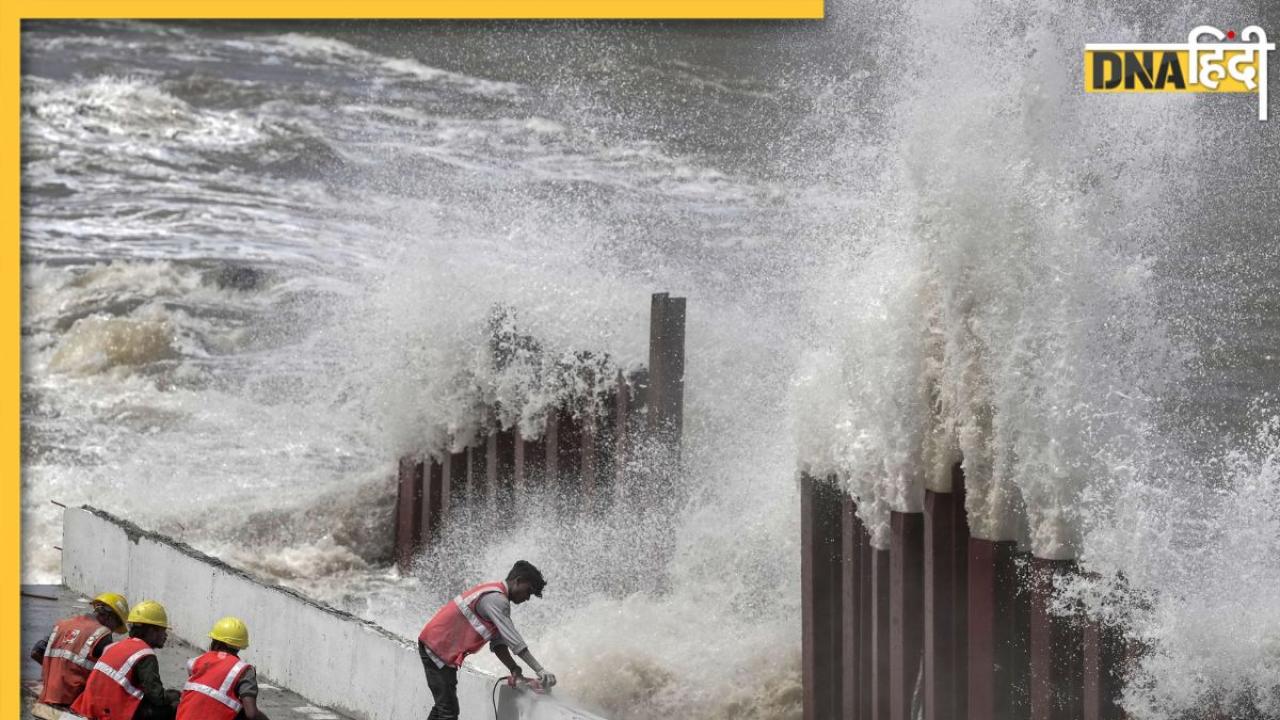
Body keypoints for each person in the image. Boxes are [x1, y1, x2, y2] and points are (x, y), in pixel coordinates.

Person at [418, 560, 556, 720]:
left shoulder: (494, 596)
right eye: (528, 591)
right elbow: (515, 642)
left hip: (437, 647)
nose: (527, 598)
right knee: (448, 712)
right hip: (437, 649)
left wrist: (514, 668)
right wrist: (540, 670)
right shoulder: (497, 600)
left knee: (443, 709)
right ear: (518, 581)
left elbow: (498, 644)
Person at [72, 600, 181, 720]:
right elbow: (157, 696)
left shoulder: (117, 645)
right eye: (163, 630)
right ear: (151, 631)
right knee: (175, 706)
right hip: (110, 713)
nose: (165, 636)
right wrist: (176, 696)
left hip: (90, 708)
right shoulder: (145, 654)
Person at [31, 592, 130, 708]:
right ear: (110, 617)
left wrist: (56, 673)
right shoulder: (102, 634)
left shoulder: (62, 625)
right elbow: (108, 677)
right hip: (73, 704)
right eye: (116, 625)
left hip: (46, 698)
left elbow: (36, 651)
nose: (113, 630)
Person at [175, 616, 270, 720]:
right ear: (239, 647)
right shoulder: (243, 670)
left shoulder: (197, 661)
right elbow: (251, 714)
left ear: (216, 643)